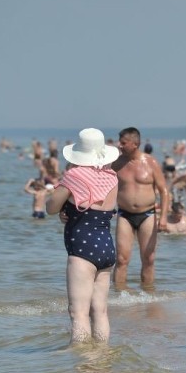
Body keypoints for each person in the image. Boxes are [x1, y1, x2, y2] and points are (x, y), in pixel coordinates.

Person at [46, 128, 119, 343]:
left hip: (83, 249)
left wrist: (59, 209)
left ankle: (83, 362)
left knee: (77, 313)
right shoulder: (112, 177)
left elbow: (50, 207)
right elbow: (94, 209)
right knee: (100, 311)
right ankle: (102, 356)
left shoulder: (74, 176)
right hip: (106, 247)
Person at [111, 127, 170, 286]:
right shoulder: (117, 163)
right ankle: (118, 297)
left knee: (149, 259)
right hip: (124, 215)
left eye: (123, 143)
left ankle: (148, 297)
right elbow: (103, 186)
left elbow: (164, 191)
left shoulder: (151, 163)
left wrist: (163, 218)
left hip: (148, 215)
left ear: (135, 143)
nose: (119, 145)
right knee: (121, 259)